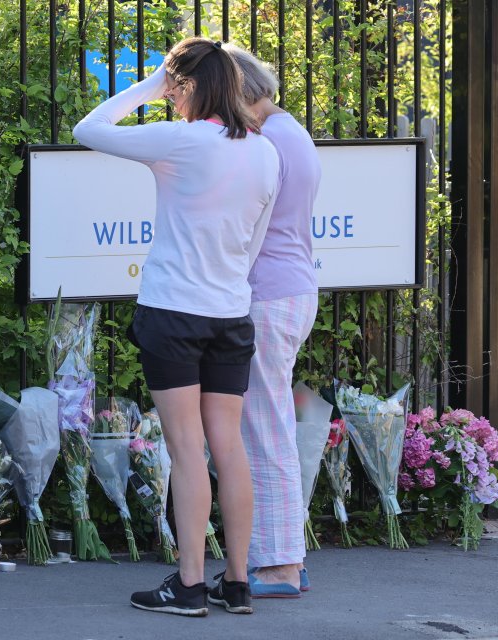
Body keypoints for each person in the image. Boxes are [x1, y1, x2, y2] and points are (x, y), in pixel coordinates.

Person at [73, 37, 280, 617]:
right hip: (229, 314)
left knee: (187, 448)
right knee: (228, 447)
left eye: (174, 91)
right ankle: (237, 582)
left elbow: (89, 128)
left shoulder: (183, 139)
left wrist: (152, 84)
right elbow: (254, 246)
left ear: (185, 87)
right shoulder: (265, 152)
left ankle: (189, 585)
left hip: (174, 311)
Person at [223, 44, 321, 597]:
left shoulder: (267, 141)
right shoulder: (293, 133)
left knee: (263, 429)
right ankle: (286, 555)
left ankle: (279, 563)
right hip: (292, 290)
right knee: (271, 422)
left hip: (266, 295)